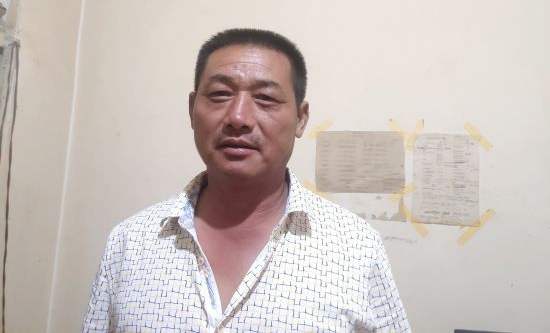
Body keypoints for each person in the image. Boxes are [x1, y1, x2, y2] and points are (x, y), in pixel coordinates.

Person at [83, 28, 411, 332]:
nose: (238, 117)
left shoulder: (356, 247)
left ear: (301, 118)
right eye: (220, 94)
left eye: (265, 98)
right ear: (192, 109)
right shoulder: (129, 243)